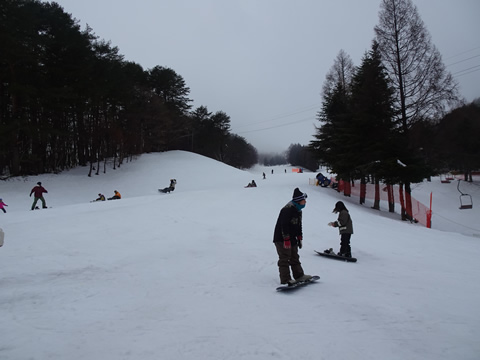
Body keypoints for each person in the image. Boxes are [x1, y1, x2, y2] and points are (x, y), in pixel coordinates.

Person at [273, 188, 311, 285]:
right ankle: (285, 279)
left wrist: (299, 237)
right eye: (304, 200)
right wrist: (286, 238)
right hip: (281, 238)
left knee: (294, 257)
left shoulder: (298, 210)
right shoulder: (287, 209)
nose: (305, 202)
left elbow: (299, 225)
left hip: (292, 238)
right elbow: (283, 224)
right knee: (284, 258)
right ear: (299, 200)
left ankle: (299, 275)